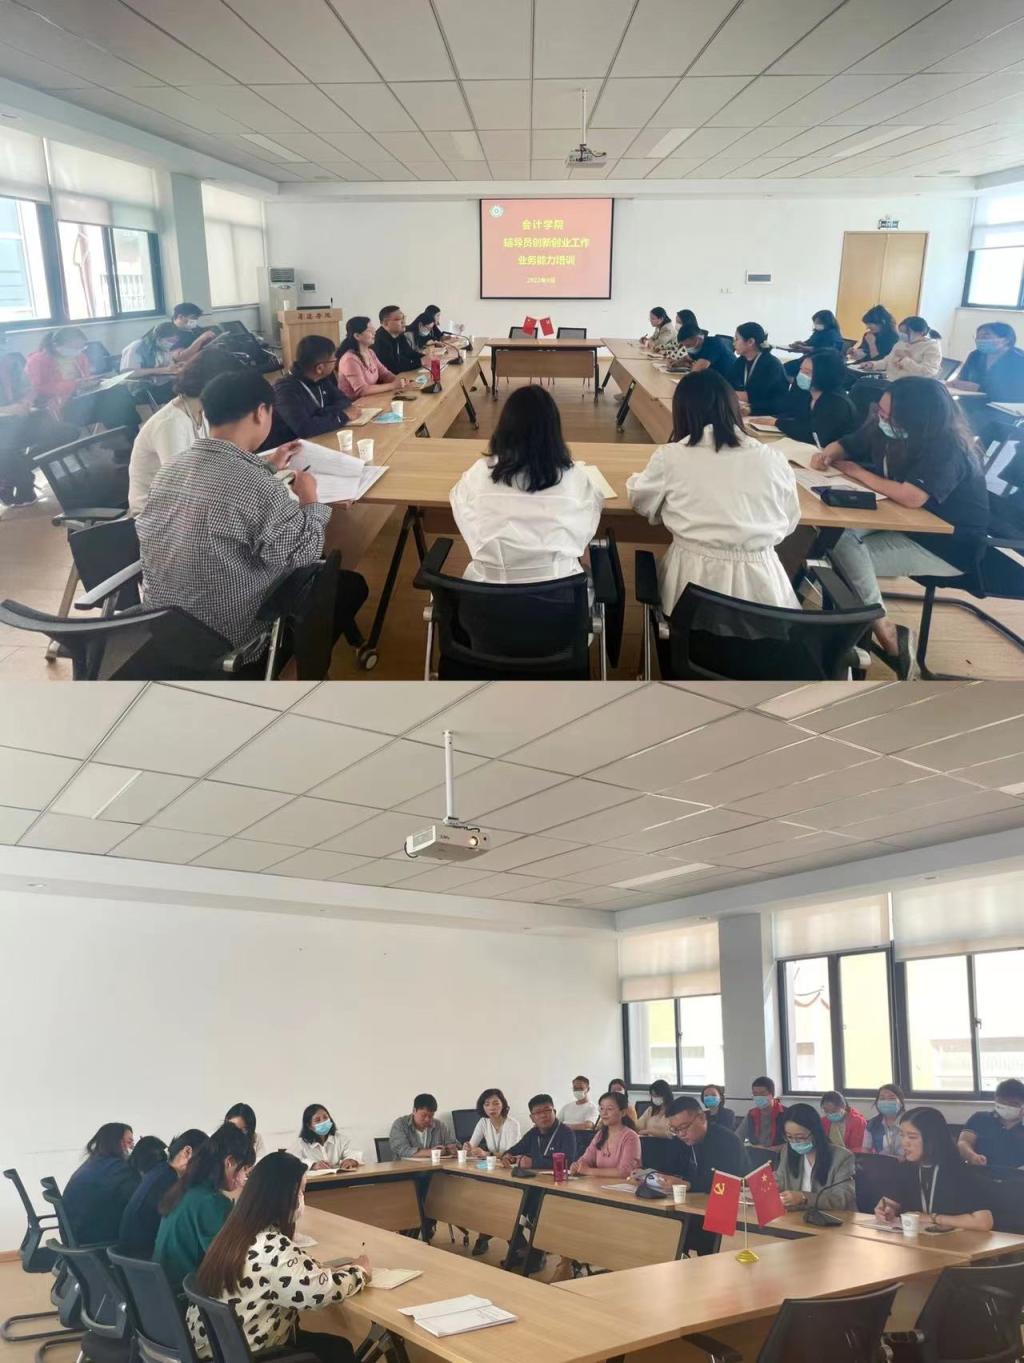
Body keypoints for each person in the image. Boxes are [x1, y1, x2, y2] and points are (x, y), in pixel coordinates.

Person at [138, 370, 368, 673]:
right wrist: (311, 501)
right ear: (261, 412)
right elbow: (304, 554)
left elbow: (223, 484)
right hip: (230, 642)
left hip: (164, 629)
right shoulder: (257, 486)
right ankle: (289, 672)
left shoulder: (172, 468)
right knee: (351, 586)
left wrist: (268, 466)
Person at [812, 378, 988, 678]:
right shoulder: (888, 427)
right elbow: (850, 443)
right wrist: (829, 453)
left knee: (834, 551)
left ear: (916, 417)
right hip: (902, 524)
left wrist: (856, 472)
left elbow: (911, 496)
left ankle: (880, 630)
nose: (880, 418)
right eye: (880, 411)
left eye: (887, 414)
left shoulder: (948, 447)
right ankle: (865, 630)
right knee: (831, 537)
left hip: (945, 544)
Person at [626, 368, 800, 616]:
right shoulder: (773, 458)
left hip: (692, 591)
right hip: (767, 600)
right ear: (733, 407)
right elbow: (790, 521)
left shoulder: (672, 457)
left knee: (691, 631)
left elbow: (641, 500)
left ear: (683, 412)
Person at [190, 1151, 368, 1363]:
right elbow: (319, 1291)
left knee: (336, 1347)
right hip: (249, 1353)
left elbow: (288, 1270)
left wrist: (319, 1268)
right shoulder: (271, 1247)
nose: (302, 1199)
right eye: (300, 1192)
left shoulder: (234, 1233)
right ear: (282, 1196)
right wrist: (360, 1272)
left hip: (217, 1349)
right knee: (338, 1351)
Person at [451, 384, 603, 583]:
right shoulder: (575, 478)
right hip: (559, 597)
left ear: (503, 428)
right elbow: (590, 518)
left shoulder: (478, 475)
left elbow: (459, 505)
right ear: (554, 433)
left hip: (485, 597)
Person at [128, 347, 241, 515]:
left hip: (185, 505)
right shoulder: (170, 424)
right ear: (216, 386)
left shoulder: (201, 411)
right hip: (156, 515)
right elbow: (183, 486)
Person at [155, 1123, 254, 1292]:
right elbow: (231, 1262)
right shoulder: (210, 1202)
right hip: (187, 1296)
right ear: (229, 1162)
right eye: (244, 1169)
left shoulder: (185, 1189)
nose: (244, 1177)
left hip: (165, 1292)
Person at [875, 1107, 994, 1231]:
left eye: (912, 1137)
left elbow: (984, 1222)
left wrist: (933, 1218)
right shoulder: (906, 1169)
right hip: (917, 1239)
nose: (904, 1143)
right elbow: (890, 1203)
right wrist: (887, 1210)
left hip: (955, 1240)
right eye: (902, 1135)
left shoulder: (960, 1172)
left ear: (932, 1139)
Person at [0, 333, 76, 504]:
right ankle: (20, 478)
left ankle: (18, 472)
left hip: (19, 420)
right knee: (4, 450)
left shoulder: (12, 363)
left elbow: (29, 389)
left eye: (3, 341)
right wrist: (7, 409)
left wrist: (26, 401)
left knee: (68, 433)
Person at [25, 327, 142, 436]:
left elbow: (85, 378)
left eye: (81, 347)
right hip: (60, 406)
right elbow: (38, 388)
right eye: (74, 347)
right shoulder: (38, 361)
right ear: (57, 345)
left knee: (118, 392)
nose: (78, 351)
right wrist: (75, 384)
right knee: (112, 401)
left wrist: (91, 383)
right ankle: (127, 439)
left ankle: (129, 437)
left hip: (82, 398)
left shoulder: (79, 357)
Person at [118, 1128, 208, 1258]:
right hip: (145, 1258)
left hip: (132, 1260)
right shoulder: (170, 1182)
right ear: (187, 1152)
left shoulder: (161, 1172)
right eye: (205, 1160)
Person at [266, 334, 358, 447]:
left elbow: (344, 400)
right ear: (319, 368)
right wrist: (342, 416)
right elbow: (305, 429)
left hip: (320, 437)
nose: (336, 363)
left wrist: (320, 413)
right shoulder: (285, 390)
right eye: (334, 360)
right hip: (288, 448)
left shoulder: (321, 378)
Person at [464, 1089, 521, 1257]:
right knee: (480, 1197)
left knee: (495, 1200)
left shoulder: (512, 1124)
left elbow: (511, 1154)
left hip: (509, 1171)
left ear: (503, 1105)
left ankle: (509, 1241)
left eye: (496, 1103)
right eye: (487, 1104)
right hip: (492, 1170)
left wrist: (486, 1154)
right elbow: (472, 1145)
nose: (491, 1107)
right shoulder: (483, 1122)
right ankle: (485, 1234)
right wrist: (468, 1147)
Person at [850, 315, 943, 417]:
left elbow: (929, 372)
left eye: (906, 332)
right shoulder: (901, 343)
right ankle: (858, 419)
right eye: (901, 331)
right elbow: (887, 361)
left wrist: (905, 360)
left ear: (920, 332)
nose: (902, 335)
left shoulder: (931, 347)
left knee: (863, 389)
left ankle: (858, 418)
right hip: (892, 382)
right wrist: (872, 364)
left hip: (910, 387)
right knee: (860, 384)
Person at [62, 1123, 137, 1244]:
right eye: (129, 1142)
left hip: (75, 1235)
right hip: (94, 1238)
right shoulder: (118, 1168)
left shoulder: (95, 1163)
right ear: (116, 1142)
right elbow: (136, 1198)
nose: (132, 1147)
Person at [775, 1103, 856, 1211]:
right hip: (797, 1216)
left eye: (800, 1137)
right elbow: (779, 1181)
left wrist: (804, 1197)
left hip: (833, 1218)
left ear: (815, 1133)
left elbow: (841, 1199)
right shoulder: (787, 1151)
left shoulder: (842, 1157)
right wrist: (764, 1187)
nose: (794, 1142)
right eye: (789, 1137)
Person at [772, 350, 859, 448]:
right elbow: (797, 418)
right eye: (801, 370)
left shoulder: (837, 403)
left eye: (807, 372)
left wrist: (778, 423)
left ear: (824, 376)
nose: (801, 375)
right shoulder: (808, 393)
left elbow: (814, 436)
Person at [335, 317, 409, 400]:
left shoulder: (370, 352)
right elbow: (362, 390)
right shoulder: (349, 359)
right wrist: (393, 385)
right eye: (369, 330)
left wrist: (401, 381)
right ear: (357, 336)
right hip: (354, 403)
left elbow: (385, 374)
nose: (374, 332)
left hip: (371, 399)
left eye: (373, 329)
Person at [570, 1093, 641, 1179]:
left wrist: (588, 1171)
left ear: (623, 1112)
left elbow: (625, 1172)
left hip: (621, 1186)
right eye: (601, 1108)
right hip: (598, 1185)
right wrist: (577, 1166)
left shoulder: (631, 1137)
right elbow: (586, 1159)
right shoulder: (600, 1134)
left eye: (609, 1109)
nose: (604, 1113)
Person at [949, 322, 1024, 404]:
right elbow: (962, 378)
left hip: (1005, 406)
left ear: (1006, 340)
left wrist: (979, 388)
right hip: (971, 402)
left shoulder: (1019, 359)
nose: (979, 340)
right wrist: (953, 384)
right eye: (977, 337)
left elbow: (1017, 392)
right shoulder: (975, 355)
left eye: (985, 336)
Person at [959, 1079, 1024, 1170]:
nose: (1007, 1106)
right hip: (982, 1173)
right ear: (996, 1100)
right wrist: (972, 1156)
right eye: (1002, 1102)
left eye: (1013, 1104)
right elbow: (964, 1142)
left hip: (1017, 1175)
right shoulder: (980, 1118)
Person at [729, 323, 789, 416]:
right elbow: (728, 384)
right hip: (747, 410)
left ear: (750, 342)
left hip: (770, 415)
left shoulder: (771, 364)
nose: (733, 343)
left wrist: (726, 394)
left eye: (736, 339)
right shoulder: (741, 361)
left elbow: (757, 397)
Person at [502, 1095, 577, 1170]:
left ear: (554, 1112)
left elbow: (567, 1163)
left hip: (558, 1177)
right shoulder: (533, 1133)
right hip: (535, 1176)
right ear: (532, 1118)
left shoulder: (567, 1133)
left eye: (547, 1110)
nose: (543, 1115)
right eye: (538, 1112)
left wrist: (533, 1163)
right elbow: (514, 1150)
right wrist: (507, 1156)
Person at [388, 1094, 457, 1159]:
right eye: (423, 1115)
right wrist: (432, 1152)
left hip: (435, 1166)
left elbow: (453, 1143)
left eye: (431, 1116)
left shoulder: (440, 1126)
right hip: (405, 1166)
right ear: (414, 1111)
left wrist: (453, 1149)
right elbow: (402, 1150)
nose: (427, 1119)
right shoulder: (400, 1124)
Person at [294, 1104, 359, 1171]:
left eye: (325, 1117)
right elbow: (292, 1162)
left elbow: (353, 1153)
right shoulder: (300, 1143)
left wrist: (350, 1160)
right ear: (309, 1126)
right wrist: (313, 1165)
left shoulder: (340, 1138)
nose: (323, 1121)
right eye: (317, 1120)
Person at [737, 1077, 786, 1151]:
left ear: (772, 1094)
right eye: (755, 1094)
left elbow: (791, 1144)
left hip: (779, 1155)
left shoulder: (785, 1113)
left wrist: (769, 1149)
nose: (758, 1097)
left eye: (762, 1093)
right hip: (756, 1155)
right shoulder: (751, 1114)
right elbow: (738, 1137)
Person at [373, 306, 425, 375]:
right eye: (399, 319)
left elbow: (409, 353)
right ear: (385, 323)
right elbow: (394, 367)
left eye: (404, 318)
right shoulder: (380, 341)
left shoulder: (398, 333)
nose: (404, 322)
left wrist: (425, 357)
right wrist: (420, 362)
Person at [670, 323, 734, 379]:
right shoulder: (696, 346)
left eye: (688, 345)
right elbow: (688, 359)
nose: (687, 348)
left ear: (697, 338)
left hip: (728, 383)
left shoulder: (713, 344)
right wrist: (677, 363)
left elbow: (695, 372)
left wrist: (690, 366)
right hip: (713, 379)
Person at [862, 1084, 907, 1159]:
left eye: (892, 1098)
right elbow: (866, 1149)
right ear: (877, 1102)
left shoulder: (910, 1122)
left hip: (907, 1163)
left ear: (901, 1102)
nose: (886, 1102)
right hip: (881, 1163)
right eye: (882, 1098)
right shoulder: (872, 1124)